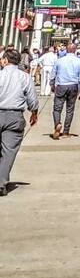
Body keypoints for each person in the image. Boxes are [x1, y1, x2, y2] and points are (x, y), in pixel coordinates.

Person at [0, 48, 39, 195]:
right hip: (14, 117)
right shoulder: (25, 77)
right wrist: (34, 112)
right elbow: (32, 99)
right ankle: (1, 182)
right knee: (9, 151)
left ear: (5, 60)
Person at [50, 42, 80, 139]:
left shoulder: (59, 61)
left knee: (57, 108)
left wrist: (52, 85)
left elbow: (53, 74)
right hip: (73, 86)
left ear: (66, 50)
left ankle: (57, 124)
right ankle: (66, 132)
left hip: (61, 86)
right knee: (70, 109)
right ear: (75, 50)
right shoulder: (79, 61)